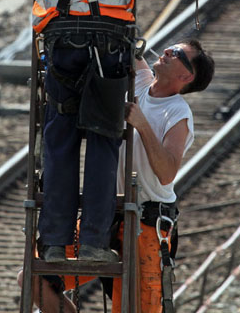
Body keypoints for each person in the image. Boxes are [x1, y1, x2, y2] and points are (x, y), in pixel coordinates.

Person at [20, 40, 215, 312]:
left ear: (186, 77)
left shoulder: (178, 113)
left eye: (178, 54)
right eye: (171, 47)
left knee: (136, 307)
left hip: (148, 222)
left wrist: (142, 125)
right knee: (34, 277)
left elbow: (167, 171)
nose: (168, 51)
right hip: (108, 215)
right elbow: (124, 41)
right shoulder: (142, 83)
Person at [32, 0, 152, 264]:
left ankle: (53, 241)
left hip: (62, 46)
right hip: (108, 50)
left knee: (60, 139)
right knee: (102, 139)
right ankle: (95, 242)